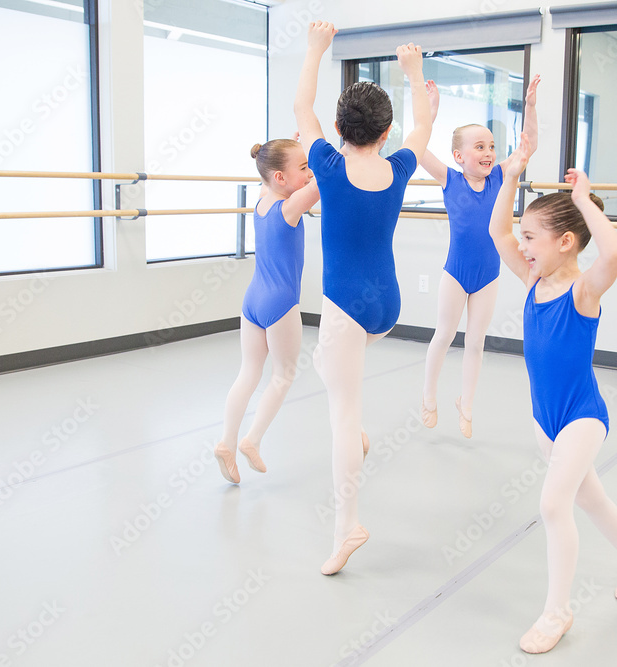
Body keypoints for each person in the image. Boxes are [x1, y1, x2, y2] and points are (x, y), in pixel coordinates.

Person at [489, 133, 617, 654]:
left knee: (553, 504)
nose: (523, 246)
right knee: (593, 499)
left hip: (583, 417)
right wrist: (511, 174)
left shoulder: (583, 291)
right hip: (545, 421)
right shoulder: (535, 279)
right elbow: (496, 232)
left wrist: (582, 200)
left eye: (532, 237)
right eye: (524, 238)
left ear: (566, 242)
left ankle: (557, 612)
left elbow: (616, 251)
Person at [294, 21, 433, 575]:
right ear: (387, 131)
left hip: (346, 302)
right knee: (327, 365)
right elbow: (425, 124)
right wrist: (415, 74)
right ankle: (357, 434)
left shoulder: (327, 166)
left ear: (336, 128)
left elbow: (301, 102)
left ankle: (346, 525)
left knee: (341, 411)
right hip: (387, 305)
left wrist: (315, 49)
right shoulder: (399, 167)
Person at [419, 74, 541, 438]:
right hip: (455, 273)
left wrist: (530, 107)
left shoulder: (501, 177)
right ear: (459, 156)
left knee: (476, 341)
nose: (488, 152)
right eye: (479, 147)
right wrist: (432, 112)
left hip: (489, 274)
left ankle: (466, 405)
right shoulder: (449, 179)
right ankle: (428, 397)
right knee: (443, 335)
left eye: (491, 146)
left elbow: (528, 146)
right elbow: (418, 149)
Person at [214, 138, 319, 484]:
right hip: (280, 303)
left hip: (253, 300)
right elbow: (326, 182)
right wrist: (350, 149)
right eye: (303, 168)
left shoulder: (261, 201)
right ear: (279, 177)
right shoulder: (289, 209)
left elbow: (281, 173)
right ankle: (251, 440)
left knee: (248, 373)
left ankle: (226, 443)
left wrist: (296, 150)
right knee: (283, 375)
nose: (309, 173)